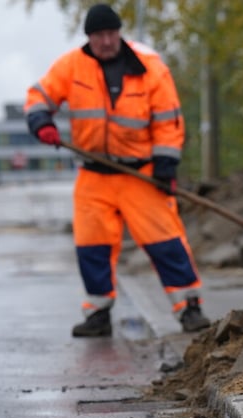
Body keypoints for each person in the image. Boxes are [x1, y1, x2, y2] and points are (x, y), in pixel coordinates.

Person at [24, 4, 210, 337]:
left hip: (142, 173)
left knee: (165, 241)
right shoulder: (71, 66)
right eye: (99, 36)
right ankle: (98, 313)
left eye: (111, 34)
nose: (106, 41)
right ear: (89, 38)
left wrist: (166, 166)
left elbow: (168, 121)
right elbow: (39, 95)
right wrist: (41, 122)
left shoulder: (150, 68)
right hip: (94, 175)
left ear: (120, 33)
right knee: (92, 246)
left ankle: (189, 307)